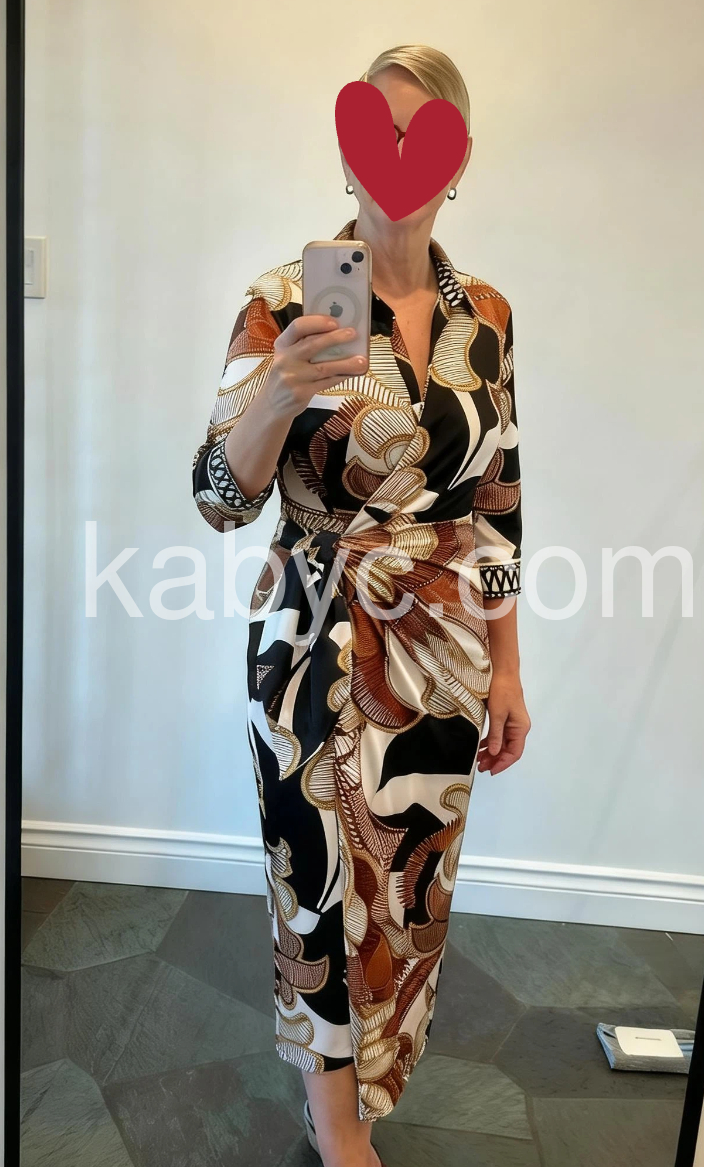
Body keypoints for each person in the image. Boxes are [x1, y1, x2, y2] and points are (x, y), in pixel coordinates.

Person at [192, 43, 531, 1168]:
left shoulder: (487, 314)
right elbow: (218, 497)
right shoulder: (284, 302)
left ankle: (366, 1086)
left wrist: (508, 665)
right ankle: (336, 1123)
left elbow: (498, 504)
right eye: (374, 132)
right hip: (310, 633)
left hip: (445, 650)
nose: (395, 158)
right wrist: (277, 393)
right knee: (317, 881)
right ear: (346, 153)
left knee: (407, 889)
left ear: (456, 161)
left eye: (421, 135)